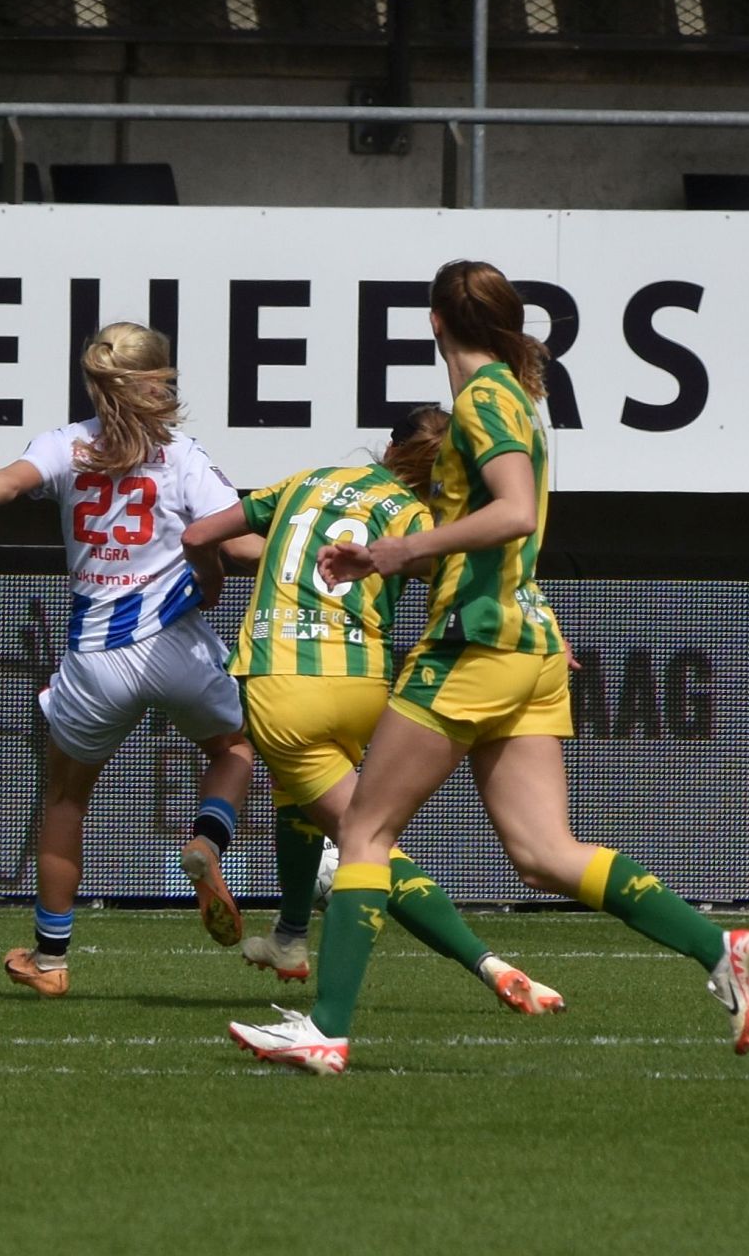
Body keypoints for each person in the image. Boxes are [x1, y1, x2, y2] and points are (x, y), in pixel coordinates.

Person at [229, 261, 749, 1074]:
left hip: (473, 648)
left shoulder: (483, 399)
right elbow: (507, 532)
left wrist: (397, 550)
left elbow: (513, 511)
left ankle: (327, 1029)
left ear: (435, 323)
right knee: (546, 852)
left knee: (367, 832)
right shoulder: (514, 398)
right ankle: (716, 946)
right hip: (525, 646)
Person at [183, 406, 565, 1015]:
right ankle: (287, 938)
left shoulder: (306, 481)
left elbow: (201, 536)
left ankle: (486, 963)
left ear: (389, 446)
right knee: (300, 801)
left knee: (365, 843)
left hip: (282, 682)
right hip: (364, 682)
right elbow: (486, 586)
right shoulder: (423, 522)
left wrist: (218, 579)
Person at [0, 321, 255, 998]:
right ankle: (207, 843)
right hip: (176, 644)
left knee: (68, 798)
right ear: (161, 382)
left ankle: (50, 960)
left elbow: (11, 483)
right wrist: (304, 558)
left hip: (96, 658)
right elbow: (234, 540)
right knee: (235, 751)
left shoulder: (66, 448)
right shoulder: (184, 456)